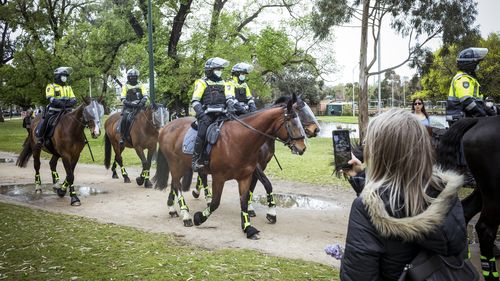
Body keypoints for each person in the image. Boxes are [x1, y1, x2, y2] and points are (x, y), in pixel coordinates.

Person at [340, 109, 467, 281]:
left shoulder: (363, 209)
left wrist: (369, 192)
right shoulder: (446, 193)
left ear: (379, 152)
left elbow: (357, 276)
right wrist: (362, 177)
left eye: (367, 143)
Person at [191, 57, 239, 172]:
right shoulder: (202, 82)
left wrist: (230, 104)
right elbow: (195, 101)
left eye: (220, 69)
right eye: (217, 69)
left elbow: (228, 97)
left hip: (222, 114)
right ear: (210, 70)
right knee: (202, 133)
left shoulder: (224, 82)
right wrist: (201, 114)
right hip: (206, 115)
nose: (219, 71)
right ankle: (195, 160)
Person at [446, 47, 489, 125]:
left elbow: (476, 100)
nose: (477, 66)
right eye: (476, 63)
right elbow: (467, 101)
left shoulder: (469, 78)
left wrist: (487, 109)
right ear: (470, 64)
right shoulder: (463, 79)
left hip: (465, 117)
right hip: (460, 120)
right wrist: (481, 114)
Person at [36, 67, 77, 144]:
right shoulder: (51, 86)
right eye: (63, 76)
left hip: (67, 111)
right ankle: (40, 138)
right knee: (46, 121)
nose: (65, 78)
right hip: (54, 110)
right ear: (58, 76)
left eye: (66, 76)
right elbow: (50, 98)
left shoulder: (68, 87)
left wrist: (69, 103)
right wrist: (60, 103)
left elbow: (73, 98)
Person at [120, 68, 148, 145]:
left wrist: (142, 102)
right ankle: (122, 136)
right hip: (129, 107)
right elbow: (122, 98)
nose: (133, 78)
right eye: (131, 77)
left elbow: (145, 95)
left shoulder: (141, 84)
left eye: (135, 77)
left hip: (140, 106)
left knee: (150, 116)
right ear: (128, 77)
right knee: (125, 118)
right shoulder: (125, 86)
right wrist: (130, 104)